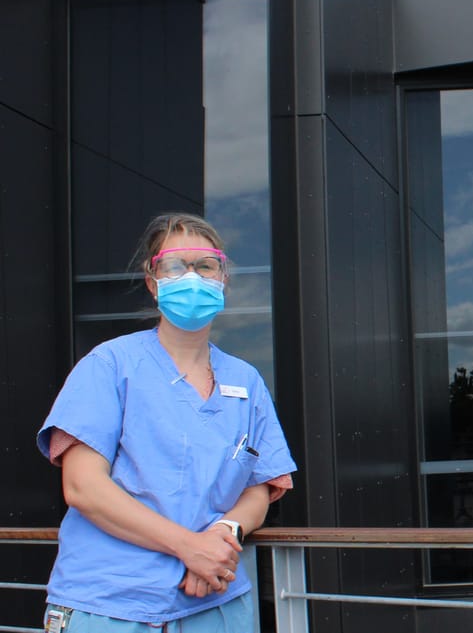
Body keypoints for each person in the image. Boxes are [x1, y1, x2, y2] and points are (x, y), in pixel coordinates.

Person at [37, 213, 297, 631]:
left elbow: (262, 487)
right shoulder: (109, 366)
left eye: (205, 265)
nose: (192, 276)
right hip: (112, 606)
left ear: (223, 279)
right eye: (177, 265)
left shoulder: (245, 380)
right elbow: (83, 486)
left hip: (216, 602)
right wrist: (189, 548)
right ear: (153, 280)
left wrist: (223, 534)